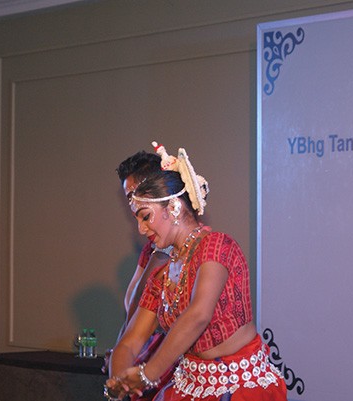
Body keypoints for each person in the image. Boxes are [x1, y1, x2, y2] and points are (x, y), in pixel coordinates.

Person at [105, 143, 287, 401]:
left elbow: (198, 315)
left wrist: (148, 374)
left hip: (241, 387)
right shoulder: (162, 274)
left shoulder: (216, 245)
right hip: (189, 386)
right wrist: (119, 380)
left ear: (174, 208)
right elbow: (130, 341)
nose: (141, 229)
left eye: (145, 217)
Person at [102, 150, 174, 401]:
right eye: (129, 196)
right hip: (144, 351)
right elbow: (133, 305)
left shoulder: (192, 249)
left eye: (137, 192)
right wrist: (121, 350)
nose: (133, 201)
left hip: (171, 363)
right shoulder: (152, 247)